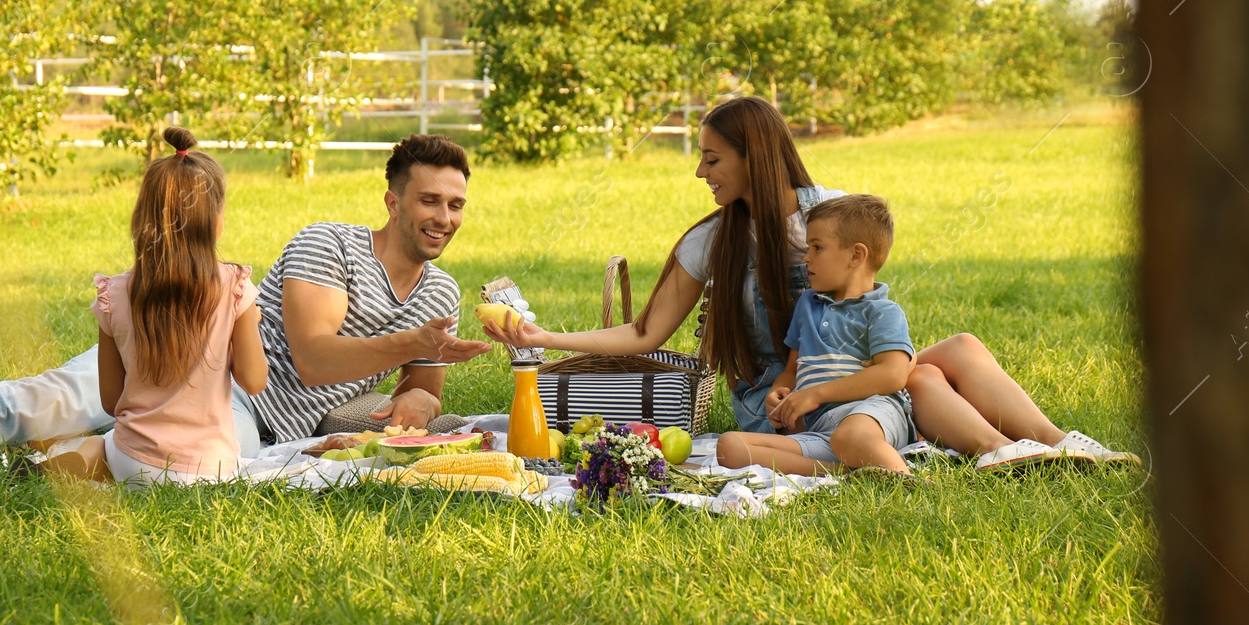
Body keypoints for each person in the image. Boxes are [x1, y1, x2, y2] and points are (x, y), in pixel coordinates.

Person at [479, 95, 1137, 468]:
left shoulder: (834, 214)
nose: (701, 173)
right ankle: (1000, 452)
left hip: (856, 383)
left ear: (752, 156)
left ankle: (1057, 447)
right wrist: (547, 334)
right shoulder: (712, 240)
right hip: (783, 402)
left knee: (953, 351)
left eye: (712, 158)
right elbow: (648, 330)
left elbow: (868, 312)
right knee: (926, 376)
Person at [0, 134, 491, 457]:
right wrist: (412, 343)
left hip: (249, 425)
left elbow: (423, 386)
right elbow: (311, 357)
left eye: (455, 204)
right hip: (177, 362)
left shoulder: (440, 290)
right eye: (429, 200)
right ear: (393, 201)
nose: (443, 216)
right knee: (28, 406)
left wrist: (415, 407)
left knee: (190, 470)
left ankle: (66, 461)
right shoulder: (328, 244)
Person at [716, 194, 1064, 478]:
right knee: (731, 446)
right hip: (822, 432)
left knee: (852, 436)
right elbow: (794, 366)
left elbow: (895, 375)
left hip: (873, 413)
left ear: (856, 255)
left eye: (816, 248)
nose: (807, 257)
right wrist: (784, 391)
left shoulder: (881, 312)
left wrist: (816, 394)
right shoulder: (808, 305)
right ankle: (848, 473)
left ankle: (907, 485)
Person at [69, 127, 267, 488]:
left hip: (133, 461)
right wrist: (244, 322)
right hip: (212, 470)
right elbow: (254, 382)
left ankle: (81, 458)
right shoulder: (235, 289)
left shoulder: (113, 294)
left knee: (105, 442)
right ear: (215, 221)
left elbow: (112, 403)